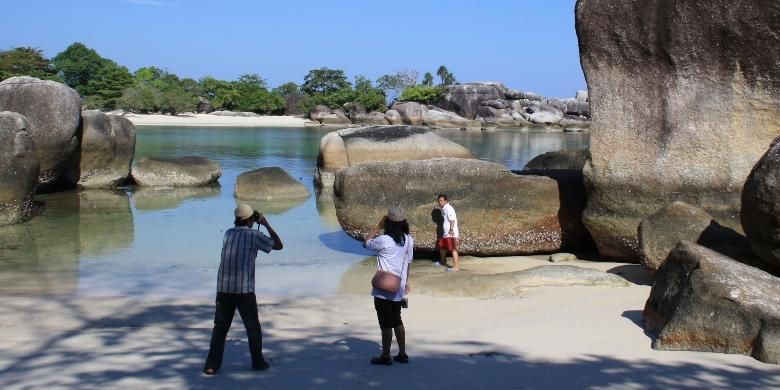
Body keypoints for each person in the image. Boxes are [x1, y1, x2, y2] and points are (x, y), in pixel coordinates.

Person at [203, 204, 283, 376]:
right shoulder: (254, 235)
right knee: (253, 327)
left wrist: (254, 221)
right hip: (244, 290)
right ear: (249, 219)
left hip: (223, 289)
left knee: (220, 328)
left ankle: (211, 365)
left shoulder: (228, 234)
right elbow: (278, 245)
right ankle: (258, 362)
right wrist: (266, 224)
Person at [363, 205, 413, 365]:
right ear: (403, 221)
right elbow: (409, 263)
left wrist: (378, 226)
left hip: (383, 289)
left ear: (388, 222)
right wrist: (406, 282)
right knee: (397, 320)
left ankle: (385, 356)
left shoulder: (384, 240)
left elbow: (366, 243)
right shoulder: (408, 240)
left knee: (385, 323)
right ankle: (402, 353)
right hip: (398, 287)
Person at [436, 194, 460, 271]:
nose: (440, 202)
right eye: (439, 201)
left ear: (446, 201)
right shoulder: (444, 209)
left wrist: (451, 230)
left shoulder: (449, 209)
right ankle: (443, 262)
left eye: (441, 201)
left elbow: (452, 220)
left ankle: (456, 267)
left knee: (453, 249)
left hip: (451, 233)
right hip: (446, 233)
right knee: (442, 247)